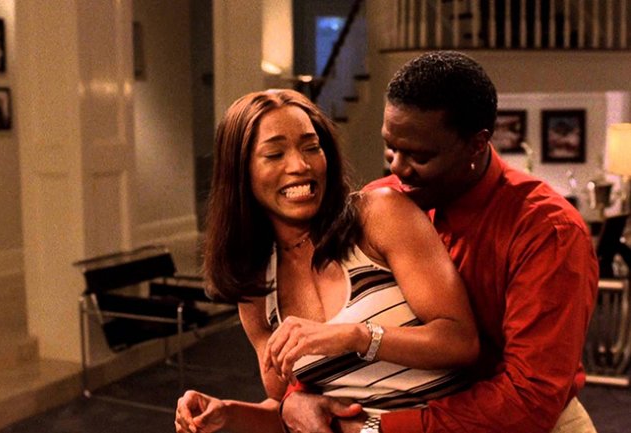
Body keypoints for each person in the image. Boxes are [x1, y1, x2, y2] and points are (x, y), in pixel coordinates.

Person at [279, 51, 599, 433]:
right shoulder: (381, 202)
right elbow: (343, 317)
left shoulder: (547, 231)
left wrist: (377, 428)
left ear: (477, 144)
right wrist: (296, 396)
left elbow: (529, 400)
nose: (397, 167)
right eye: (391, 148)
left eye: (420, 156)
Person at [175, 88, 480, 433]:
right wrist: (227, 412)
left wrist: (356, 337)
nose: (300, 165)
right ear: (240, 172)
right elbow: (291, 411)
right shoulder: (256, 284)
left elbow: (461, 341)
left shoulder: (378, 214)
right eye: (275, 154)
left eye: (311, 147)